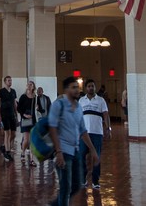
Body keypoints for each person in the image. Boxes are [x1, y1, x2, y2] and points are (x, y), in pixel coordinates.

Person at [48, 76, 100, 206]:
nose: (77, 90)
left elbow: (83, 130)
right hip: (63, 151)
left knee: (77, 185)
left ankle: (54, 205)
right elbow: (52, 127)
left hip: (75, 151)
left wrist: (93, 150)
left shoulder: (78, 107)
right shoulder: (58, 105)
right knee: (65, 187)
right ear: (66, 90)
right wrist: (58, 151)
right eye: (74, 87)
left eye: (78, 87)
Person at [79, 78, 111, 189]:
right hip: (84, 134)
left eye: (92, 86)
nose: (91, 88)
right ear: (85, 88)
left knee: (96, 156)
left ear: (95, 87)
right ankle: (83, 179)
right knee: (82, 155)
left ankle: (95, 181)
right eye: (89, 86)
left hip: (97, 133)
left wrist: (108, 128)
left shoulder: (101, 100)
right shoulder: (81, 101)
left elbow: (106, 115)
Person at [0, 75, 19, 162]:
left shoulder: (13, 91)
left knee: (13, 134)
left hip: (12, 114)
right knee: (8, 133)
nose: (10, 82)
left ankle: (4, 146)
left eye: (11, 80)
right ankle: (7, 151)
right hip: (4, 114)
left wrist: (17, 114)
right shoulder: (1, 91)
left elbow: (14, 104)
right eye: (8, 80)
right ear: (5, 82)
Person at [17, 80, 37, 166]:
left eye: (31, 85)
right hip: (25, 120)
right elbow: (18, 108)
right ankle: (23, 152)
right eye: (28, 84)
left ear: (33, 87)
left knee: (32, 140)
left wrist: (38, 108)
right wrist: (24, 115)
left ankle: (32, 160)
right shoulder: (23, 97)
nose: (29, 86)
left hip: (33, 120)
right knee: (26, 140)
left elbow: (38, 108)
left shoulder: (35, 97)